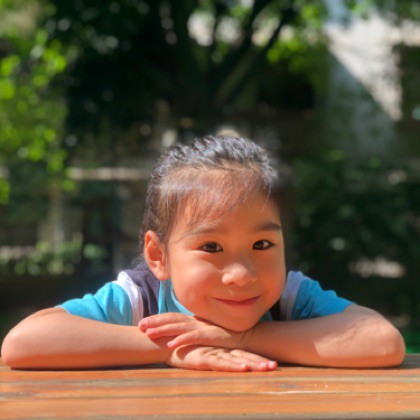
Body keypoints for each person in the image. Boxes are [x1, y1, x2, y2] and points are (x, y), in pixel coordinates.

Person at [1, 135, 405, 371]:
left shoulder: (288, 296)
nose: (242, 274)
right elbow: (23, 343)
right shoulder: (142, 298)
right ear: (158, 256)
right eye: (211, 247)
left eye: (262, 245)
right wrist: (176, 347)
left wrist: (246, 338)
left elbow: (382, 342)